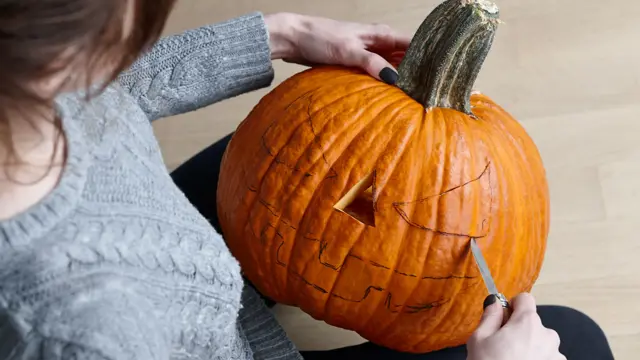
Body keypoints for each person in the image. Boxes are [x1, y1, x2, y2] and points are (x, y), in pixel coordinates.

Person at [0, 1, 614, 359]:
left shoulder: (46, 92)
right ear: (53, 58)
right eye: (118, 34)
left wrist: (279, 33)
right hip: (187, 329)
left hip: (160, 247)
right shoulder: (76, 336)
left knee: (307, 151)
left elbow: (111, 96)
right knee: (579, 341)